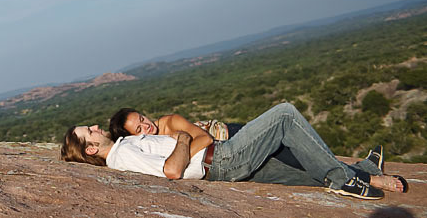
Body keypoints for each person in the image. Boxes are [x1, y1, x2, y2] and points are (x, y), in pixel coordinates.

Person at [61, 102, 408, 200]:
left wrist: (189, 139)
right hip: (221, 160)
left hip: (219, 164)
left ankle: (363, 172)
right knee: (285, 114)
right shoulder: (122, 155)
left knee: (302, 175)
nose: (94, 127)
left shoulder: (122, 148)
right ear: (90, 148)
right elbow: (171, 171)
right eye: (88, 131)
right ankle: (342, 178)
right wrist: (184, 139)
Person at [108, 107, 306, 176]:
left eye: (142, 119)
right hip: (227, 151)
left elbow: (205, 138)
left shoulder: (170, 122)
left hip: (231, 135)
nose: (146, 126)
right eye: (139, 129)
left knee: (290, 154)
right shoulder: (146, 147)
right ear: (133, 137)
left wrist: (181, 156)